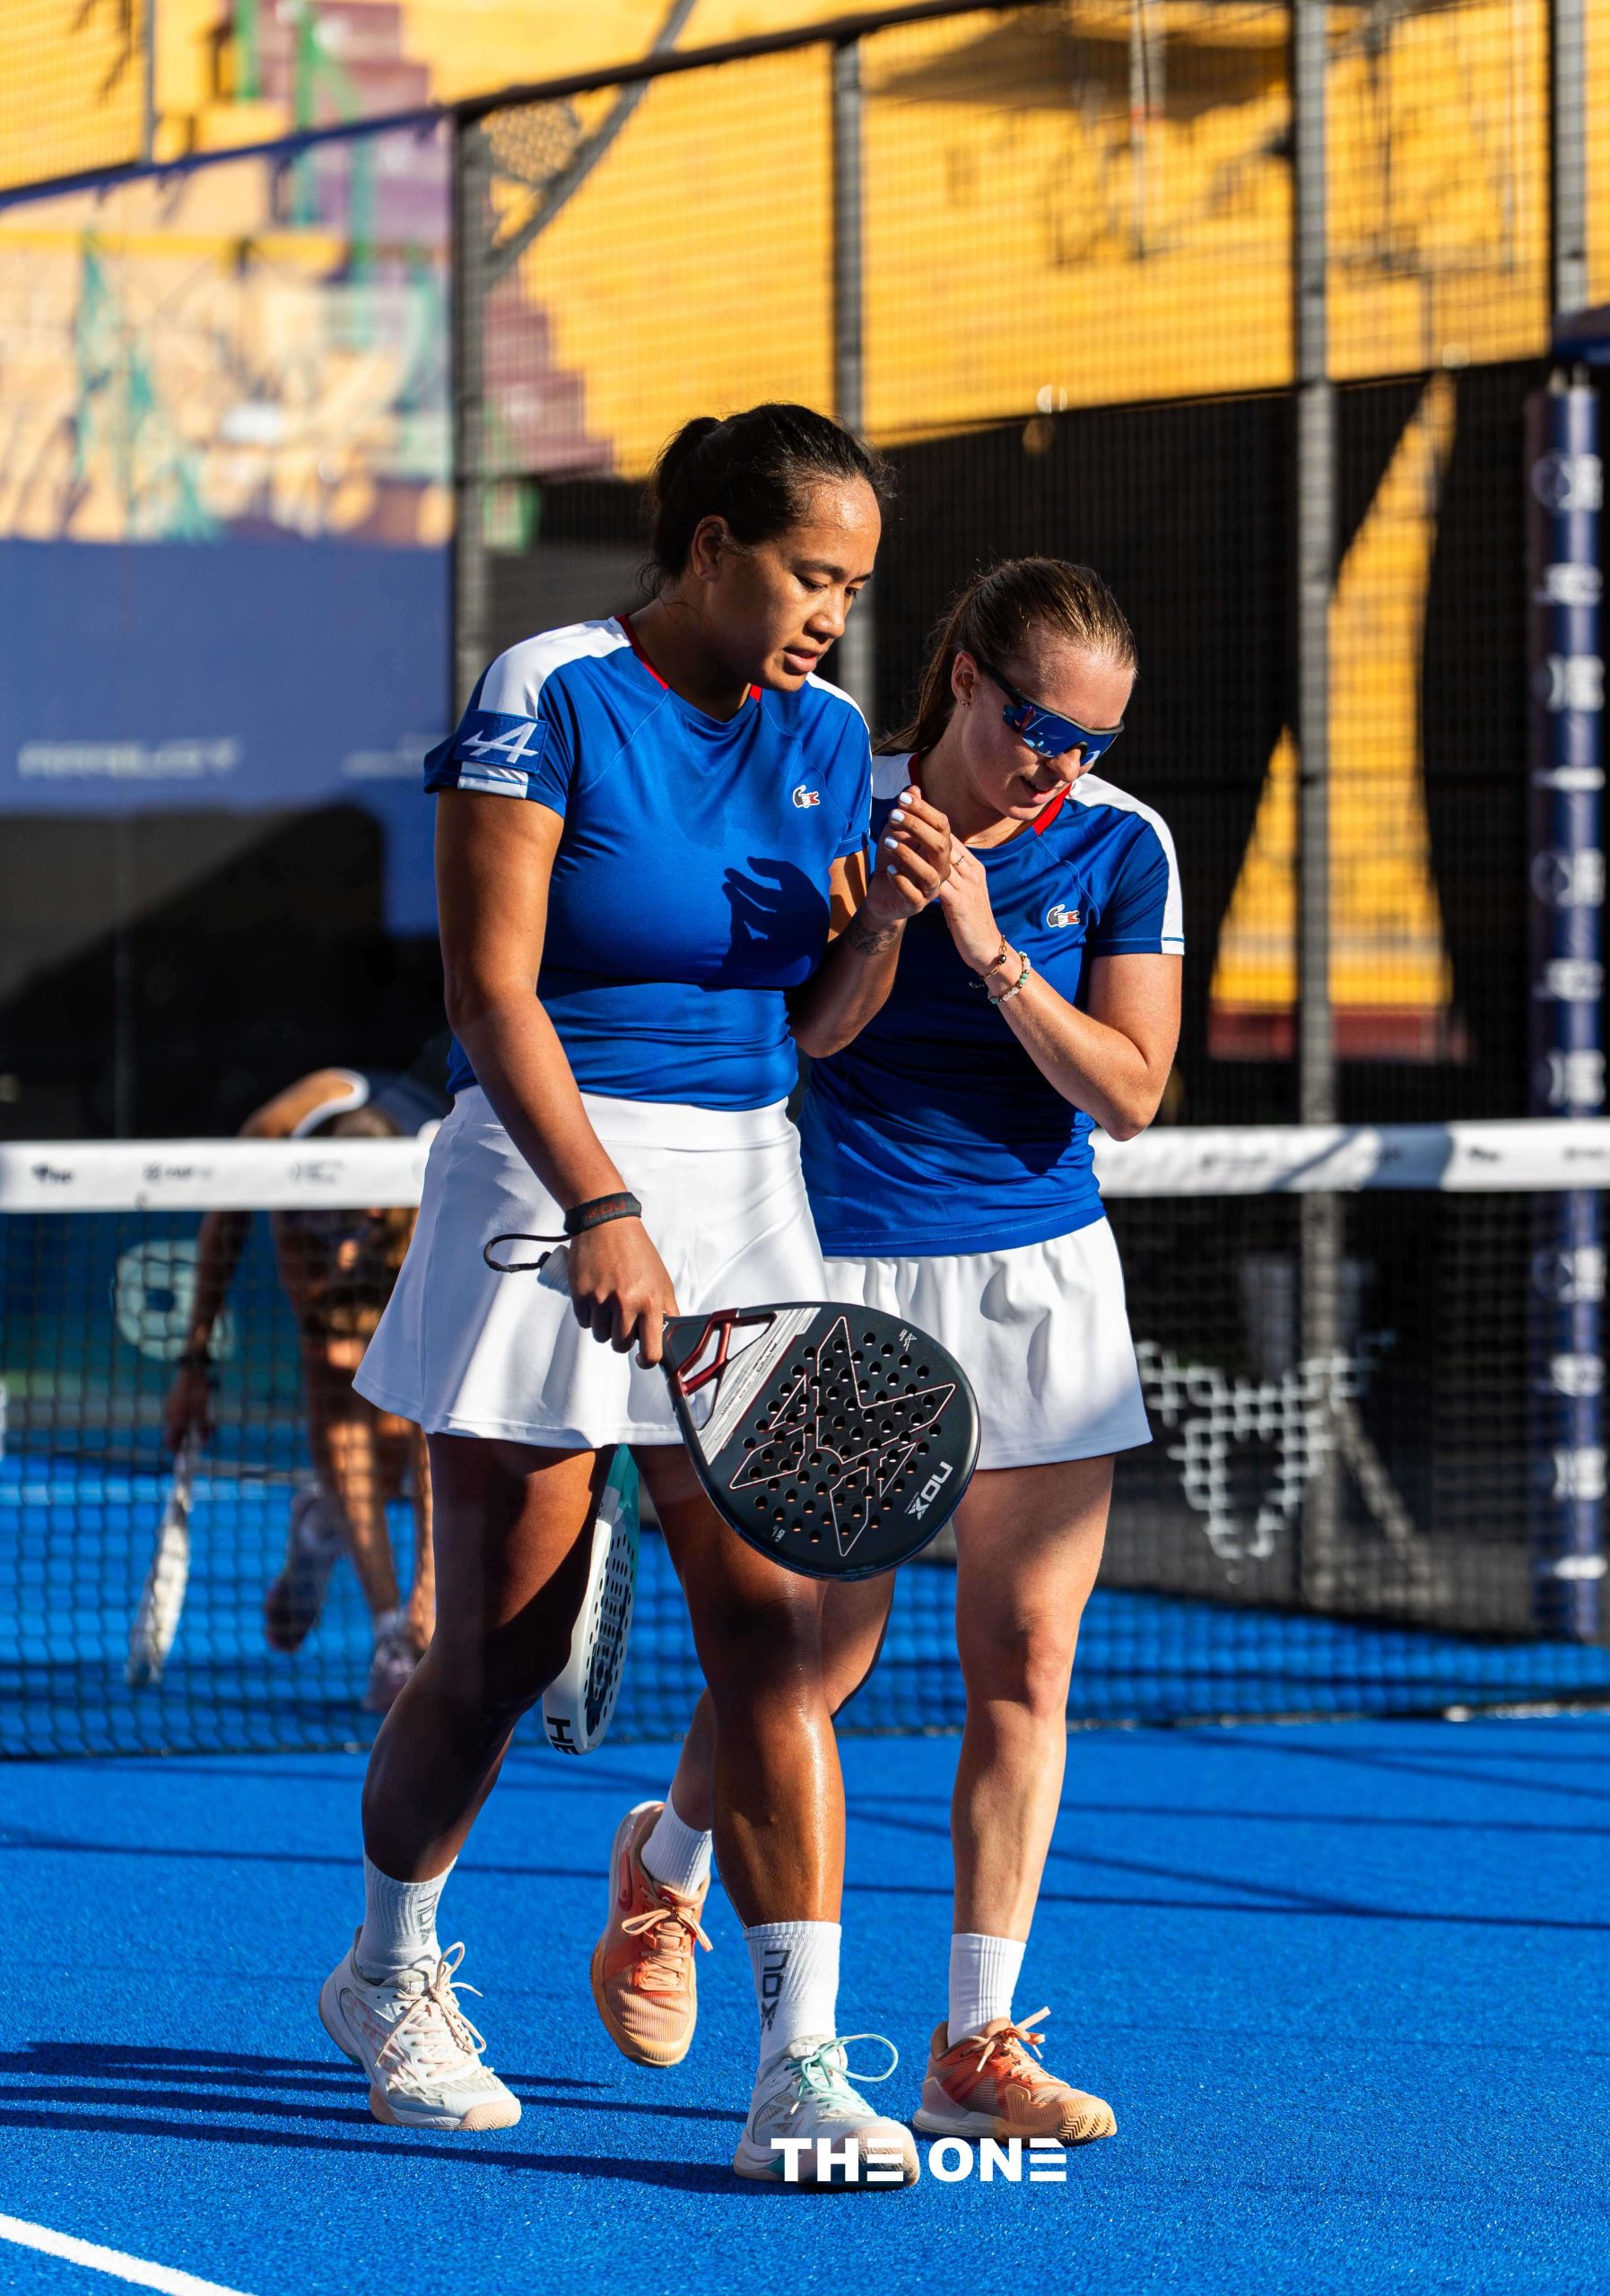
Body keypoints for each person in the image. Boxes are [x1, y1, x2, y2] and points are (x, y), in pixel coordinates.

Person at [318, 404, 956, 2179]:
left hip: (747, 1190)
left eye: (855, 586)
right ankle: (385, 1972)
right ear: (710, 547)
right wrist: (600, 1201)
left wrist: (879, 930)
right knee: (501, 1652)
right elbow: (487, 991)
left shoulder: (825, 739)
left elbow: (812, 1028)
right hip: (544, 1175)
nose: (833, 613)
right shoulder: (548, 691)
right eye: (812, 573)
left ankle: (800, 2065)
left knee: (779, 1635)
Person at [648, 557, 1181, 2146]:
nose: (1056, 765)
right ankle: (666, 1873)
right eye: (1036, 728)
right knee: (813, 1661)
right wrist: (890, 911)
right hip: (849, 1274)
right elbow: (809, 1034)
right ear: (962, 680)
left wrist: (989, 942)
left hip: (1045, 1290)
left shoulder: (1122, 843)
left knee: (1025, 1665)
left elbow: (1128, 1092)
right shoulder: (834, 798)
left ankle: (974, 2042)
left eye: (1089, 741)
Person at [164, 1063, 446, 1711]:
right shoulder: (272, 1140)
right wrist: (194, 1365)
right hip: (318, 1219)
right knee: (333, 1379)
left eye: (355, 1230)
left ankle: (334, 1538)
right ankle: (390, 1638)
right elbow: (225, 1232)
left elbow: (434, 1424)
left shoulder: (436, 1176)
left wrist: (429, 1601)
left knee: (416, 1420)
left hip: (411, 1226)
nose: (344, 1254)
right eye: (332, 1229)